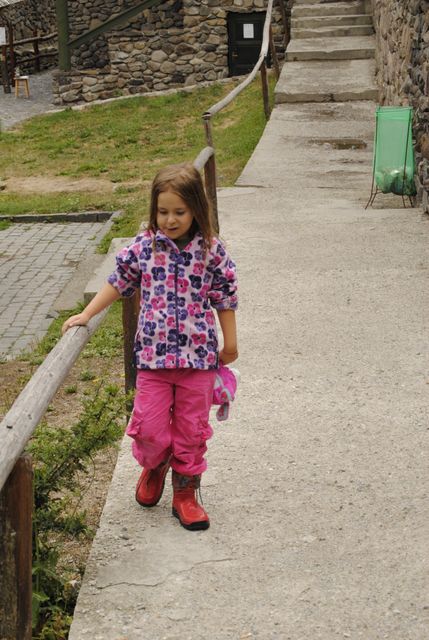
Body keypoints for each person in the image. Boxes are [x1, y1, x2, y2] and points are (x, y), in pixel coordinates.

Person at [62, 163, 238, 531]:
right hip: (153, 361)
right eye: (163, 211)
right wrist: (87, 313)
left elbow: (225, 296)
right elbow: (119, 281)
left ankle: (185, 493)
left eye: (179, 212)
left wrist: (230, 343)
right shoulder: (145, 246)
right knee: (149, 430)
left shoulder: (211, 251)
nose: (170, 220)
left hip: (198, 361)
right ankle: (155, 465)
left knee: (191, 431)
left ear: (196, 210)